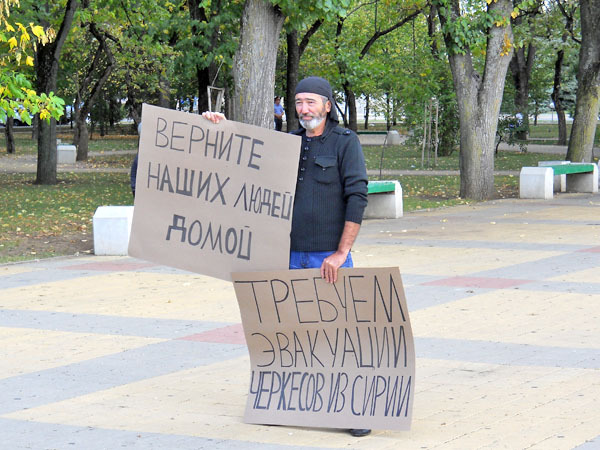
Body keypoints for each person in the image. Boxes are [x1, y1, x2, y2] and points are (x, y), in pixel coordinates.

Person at [202, 77, 370, 437]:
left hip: (328, 257)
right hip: (287, 256)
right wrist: (219, 129)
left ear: (327, 105)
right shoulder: (288, 143)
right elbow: (245, 162)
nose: (304, 109)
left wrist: (342, 252)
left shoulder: (346, 142)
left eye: (311, 102)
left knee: (339, 335)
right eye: (298, 103)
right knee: (288, 333)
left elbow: (357, 196)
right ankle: (286, 403)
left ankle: (354, 409)